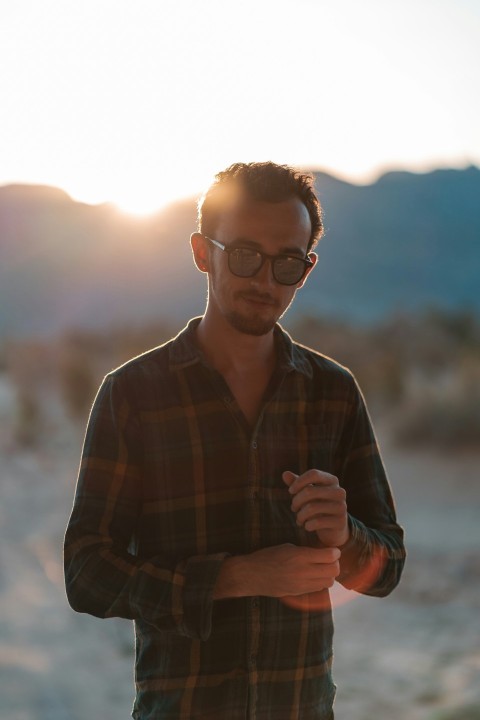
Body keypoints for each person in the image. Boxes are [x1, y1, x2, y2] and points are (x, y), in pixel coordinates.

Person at [64, 161, 406, 719]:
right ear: (203, 252)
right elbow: (86, 572)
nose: (266, 281)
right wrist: (234, 577)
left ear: (307, 268)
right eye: (246, 255)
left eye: (287, 263)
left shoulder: (333, 393)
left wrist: (346, 536)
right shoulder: (132, 395)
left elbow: (387, 564)